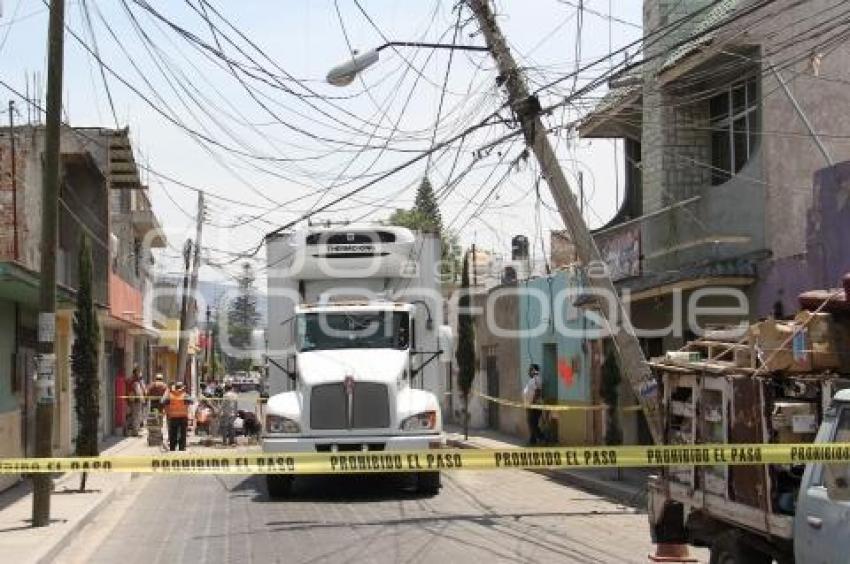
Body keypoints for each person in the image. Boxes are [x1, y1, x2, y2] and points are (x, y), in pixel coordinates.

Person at [161, 382, 194, 451]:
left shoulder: (170, 395)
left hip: (173, 417)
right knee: (183, 433)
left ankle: (172, 448)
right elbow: (192, 401)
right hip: (183, 417)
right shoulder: (185, 395)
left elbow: (162, 401)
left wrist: (167, 392)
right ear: (182, 388)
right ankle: (182, 448)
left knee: (173, 433)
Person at [523, 363, 544, 446]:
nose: (528, 371)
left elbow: (538, 391)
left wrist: (533, 402)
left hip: (534, 406)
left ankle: (542, 437)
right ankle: (533, 440)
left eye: (530, 369)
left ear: (534, 371)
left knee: (532, 423)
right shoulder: (532, 380)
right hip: (530, 405)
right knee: (531, 423)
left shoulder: (536, 379)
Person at [126, 366, 146, 437]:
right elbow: (138, 392)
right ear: (136, 373)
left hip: (130, 400)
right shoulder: (136, 381)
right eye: (139, 372)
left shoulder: (130, 379)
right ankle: (135, 431)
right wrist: (142, 400)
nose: (140, 374)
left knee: (130, 415)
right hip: (136, 400)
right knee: (136, 415)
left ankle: (128, 430)